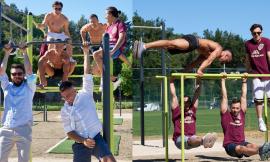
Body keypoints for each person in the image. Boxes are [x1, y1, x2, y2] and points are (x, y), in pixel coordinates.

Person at [59, 45, 116, 162]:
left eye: (70, 95)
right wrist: (83, 140)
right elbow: (69, 132)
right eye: (65, 97)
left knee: (109, 160)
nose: (68, 99)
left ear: (75, 90)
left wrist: (86, 52)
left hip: (96, 137)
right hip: (80, 142)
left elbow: (87, 73)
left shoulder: (85, 93)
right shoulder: (64, 111)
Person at [220, 73, 270, 160]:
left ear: (240, 108)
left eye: (237, 108)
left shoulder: (242, 113)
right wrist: (223, 80)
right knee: (241, 148)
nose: (235, 110)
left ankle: (263, 150)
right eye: (233, 108)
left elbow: (243, 96)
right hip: (230, 145)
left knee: (253, 146)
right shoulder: (226, 115)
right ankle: (261, 152)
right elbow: (224, 97)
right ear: (230, 108)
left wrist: (244, 81)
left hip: (242, 142)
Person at [0, 43, 36, 162]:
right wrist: (6, 53)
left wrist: (24, 52)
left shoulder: (29, 87)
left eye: (20, 74)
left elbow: (30, 71)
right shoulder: (6, 86)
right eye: (14, 74)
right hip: (6, 129)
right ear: (10, 76)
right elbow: (1, 71)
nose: (17, 76)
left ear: (23, 75)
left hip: (23, 130)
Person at [133, 35, 232, 76]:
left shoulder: (206, 54)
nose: (222, 62)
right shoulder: (219, 49)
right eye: (224, 61)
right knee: (171, 43)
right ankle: (144, 46)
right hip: (194, 42)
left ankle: (141, 47)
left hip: (191, 47)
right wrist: (201, 70)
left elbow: (194, 63)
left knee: (167, 47)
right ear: (226, 55)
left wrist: (183, 73)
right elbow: (210, 60)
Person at [170, 78, 217, 150]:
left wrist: (198, 79)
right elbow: (174, 95)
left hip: (192, 138)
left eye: (188, 101)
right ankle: (205, 141)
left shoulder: (192, 109)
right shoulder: (177, 110)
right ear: (180, 103)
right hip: (180, 139)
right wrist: (171, 81)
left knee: (196, 139)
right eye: (184, 102)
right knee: (192, 139)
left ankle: (204, 142)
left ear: (190, 102)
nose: (186, 103)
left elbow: (197, 93)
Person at [93, 6, 131, 91]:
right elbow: (104, 41)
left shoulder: (120, 24)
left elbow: (122, 38)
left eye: (105, 14)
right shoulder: (108, 27)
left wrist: (113, 50)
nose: (104, 16)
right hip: (107, 48)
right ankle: (114, 79)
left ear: (110, 14)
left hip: (114, 49)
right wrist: (101, 48)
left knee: (95, 54)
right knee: (95, 71)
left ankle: (104, 80)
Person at [245, 24, 270, 132]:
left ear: (261, 32)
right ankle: (260, 121)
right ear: (251, 33)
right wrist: (247, 70)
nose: (256, 35)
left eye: (258, 32)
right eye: (254, 33)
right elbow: (247, 59)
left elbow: (269, 55)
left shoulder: (266, 41)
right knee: (258, 99)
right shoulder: (248, 44)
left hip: (267, 74)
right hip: (256, 74)